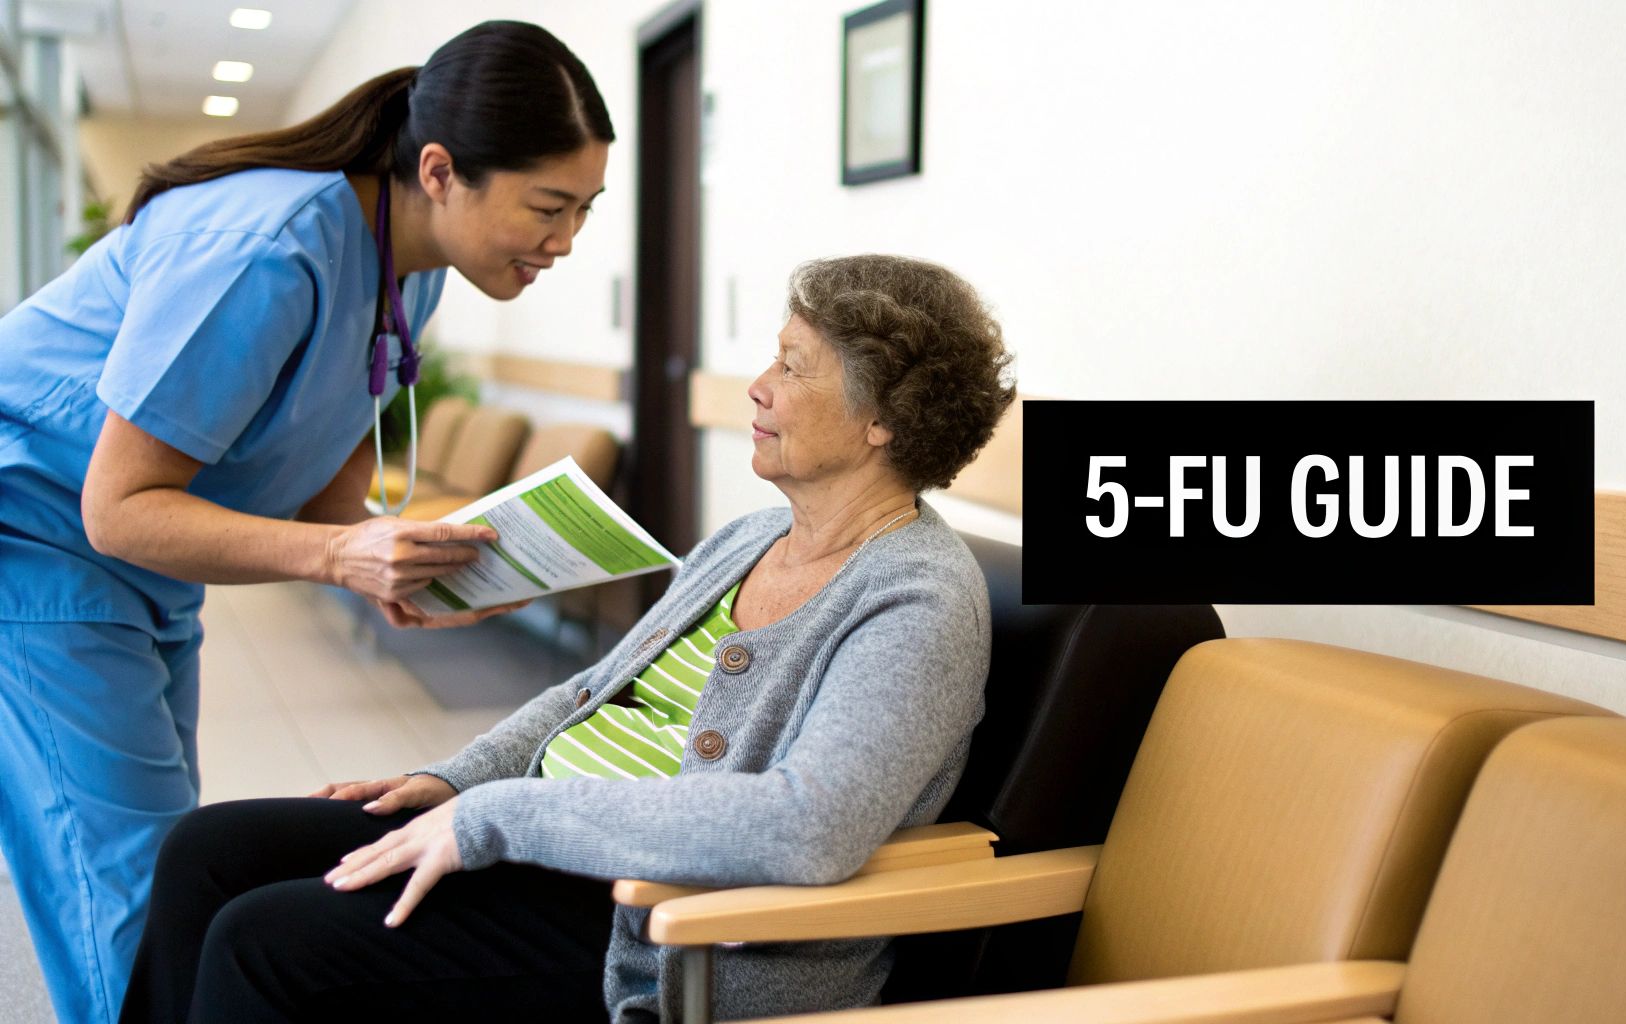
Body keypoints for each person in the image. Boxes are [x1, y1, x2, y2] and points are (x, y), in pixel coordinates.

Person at [120, 254, 1019, 1022]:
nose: (757, 385)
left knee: (263, 943)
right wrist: (460, 780)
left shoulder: (919, 599)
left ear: (881, 418)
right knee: (207, 852)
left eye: (793, 366)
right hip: (546, 844)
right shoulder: (750, 538)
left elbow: (807, 828)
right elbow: (593, 691)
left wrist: (497, 817)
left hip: (658, 920)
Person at [0, 21, 613, 1024]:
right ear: (440, 171)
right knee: (124, 895)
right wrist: (341, 554)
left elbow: (333, 460)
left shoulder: (408, 265)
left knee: (170, 868)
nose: (566, 240)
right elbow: (118, 506)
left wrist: (411, 565)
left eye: (584, 209)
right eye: (548, 206)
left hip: (144, 569)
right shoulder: (266, 250)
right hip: (37, 539)